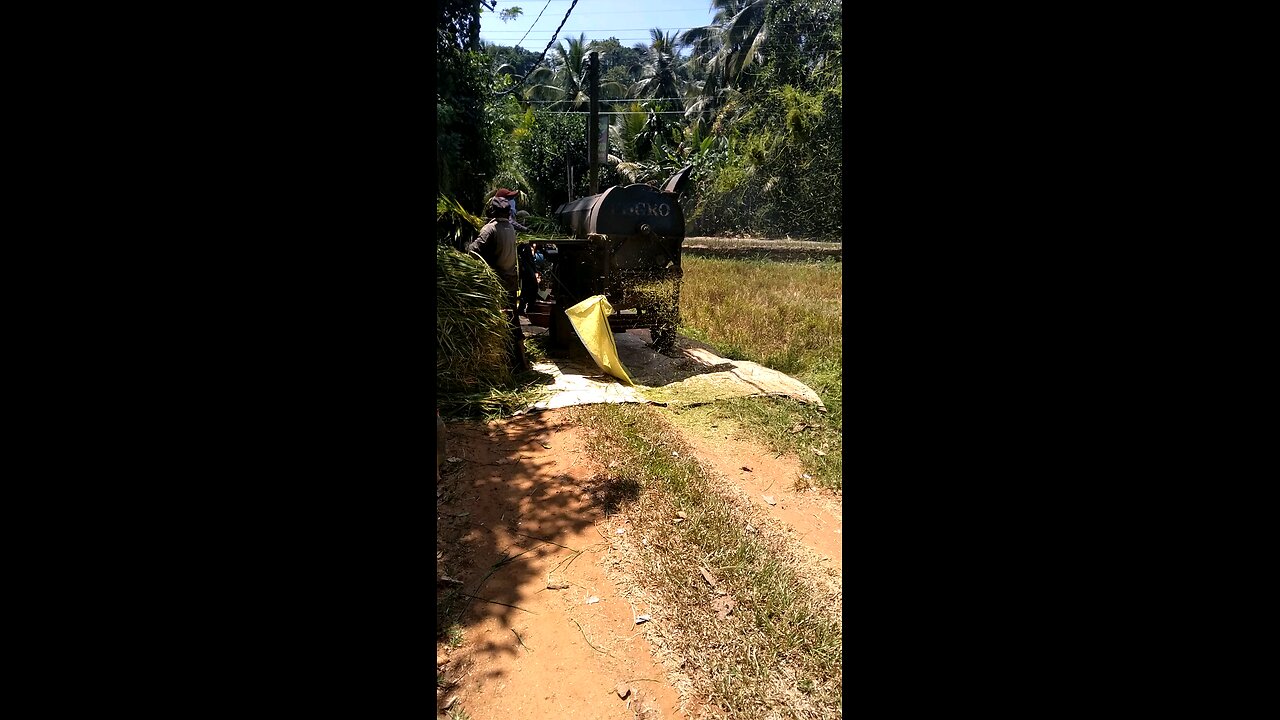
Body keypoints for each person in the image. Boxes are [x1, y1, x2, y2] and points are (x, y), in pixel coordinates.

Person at [467, 197, 528, 371]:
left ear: (492, 212)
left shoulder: (490, 229)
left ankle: (497, 364)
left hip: (498, 282)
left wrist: (467, 244)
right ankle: (521, 362)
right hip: (511, 280)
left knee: (496, 322)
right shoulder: (510, 228)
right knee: (513, 320)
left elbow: (473, 251)